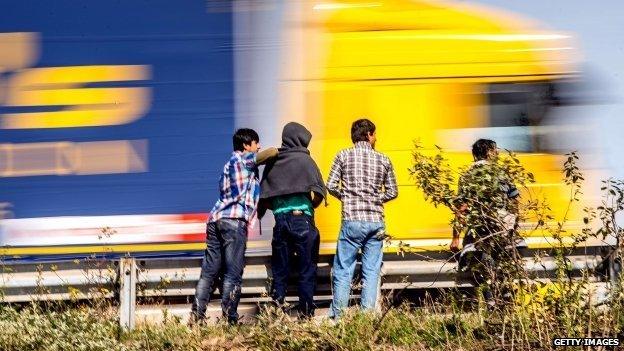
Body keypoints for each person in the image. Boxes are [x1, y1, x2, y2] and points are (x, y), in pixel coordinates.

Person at [191, 128, 277, 324]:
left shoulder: (227, 164)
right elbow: (271, 152)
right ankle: (230, 318)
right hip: (234, 221)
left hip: (215, 219)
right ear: (246, 145)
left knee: (209, 272)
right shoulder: (244, 160)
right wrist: (284, 150)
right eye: (256, 143)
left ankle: (197, 317)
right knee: (233, 273)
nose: (259, 146)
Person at [326, 118, 398, 318]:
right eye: (375, 134)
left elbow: (330, 185)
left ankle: (338, 316)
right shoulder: (384, 159)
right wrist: (375, 198)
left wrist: (347, 197)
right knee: (371, 271)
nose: (376, 138)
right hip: (376, 222)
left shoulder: (342, 155)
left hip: (352, 220)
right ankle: (367, 317)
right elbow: (393, 191)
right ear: (369, 135)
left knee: (343, 270)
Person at [259, 122, 327, 318]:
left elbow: (265, 196)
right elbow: (319, 191)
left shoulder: (274, 161)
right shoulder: (306, 161)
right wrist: (310, 207)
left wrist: (279, 208)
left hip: (281, 221)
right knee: (307, 269)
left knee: (280, 270)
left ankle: (277, 310)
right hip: (302, 220)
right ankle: (306, 313)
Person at [450, 138, 525, 308]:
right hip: (503, 225)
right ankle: (507, 300)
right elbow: (515, 200)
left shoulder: (467, 174)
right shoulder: (501, 171)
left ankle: (491, 301)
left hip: (479, 226)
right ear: (489, 152)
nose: (498, 152)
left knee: (483, 263)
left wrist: (455, 237)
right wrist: (514, 223)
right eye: (495, 149)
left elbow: (461, 207)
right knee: (504, 264)